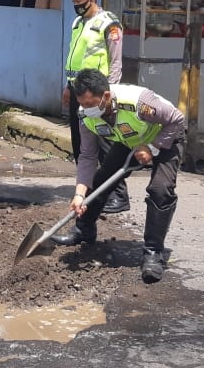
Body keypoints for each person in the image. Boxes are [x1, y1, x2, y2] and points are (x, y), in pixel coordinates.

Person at [53, 68, 186, 283]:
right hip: (129, 141)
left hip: (165, 137)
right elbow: (87, 156)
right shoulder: (84, 115)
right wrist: (79, 194)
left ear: (105, 96)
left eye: (90, 104)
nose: (86, 109)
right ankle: (84, 229)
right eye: (82, 104)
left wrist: (153, 147)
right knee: (101, 178)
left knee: (160, 190)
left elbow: (177, 120)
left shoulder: (140, 103)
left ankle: (153, 253)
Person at [62, 0, 128, 214]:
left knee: (106, 144)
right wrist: (68, 86)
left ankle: (118, 195)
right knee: (81, 144)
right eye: (74, 4)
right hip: (79, 92)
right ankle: (87, 191)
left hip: (99, 95)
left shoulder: (109, 23)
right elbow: (74, 56)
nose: (77, 7)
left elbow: (116, 61)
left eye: (80, 3)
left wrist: (110, 95)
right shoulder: (78, 23)